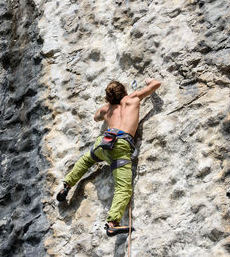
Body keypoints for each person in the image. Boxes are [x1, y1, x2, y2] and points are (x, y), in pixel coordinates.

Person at [56, 78, 162, 236]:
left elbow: (96, 117)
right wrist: (146, 80)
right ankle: (112, 223)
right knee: (123, 187)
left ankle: (66, 186)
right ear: (123, 91)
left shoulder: (107, 109)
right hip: (120, 147)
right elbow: (156, 84)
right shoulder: (132, 99)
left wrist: (108, 109)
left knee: (86, 160)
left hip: (103, 143)